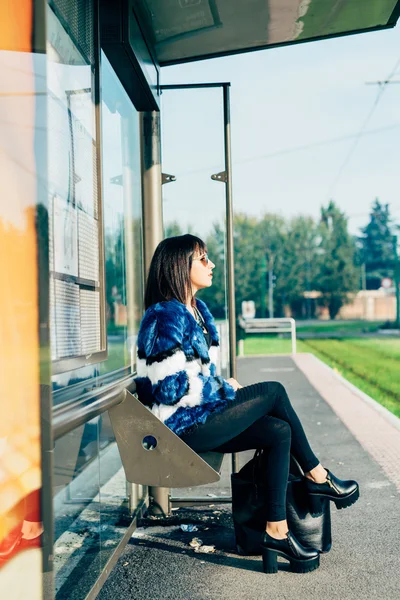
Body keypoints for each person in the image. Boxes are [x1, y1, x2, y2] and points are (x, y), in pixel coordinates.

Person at [135, 234, 359, 574]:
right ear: (181, 266)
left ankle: (276, 530)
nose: (211, 265)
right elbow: (169, 389)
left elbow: (194, 377)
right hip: (183, 427)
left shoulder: (191, 312)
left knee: (277, 431)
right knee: (273, 391)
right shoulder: (165, 316)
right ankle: (318, 476)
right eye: (203, 259)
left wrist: (219, 387)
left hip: (200, 417)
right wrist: (223, 388)